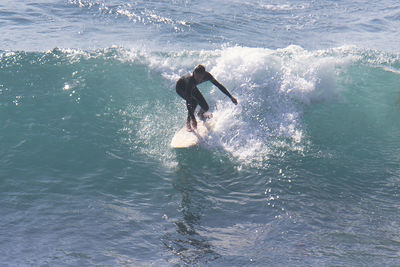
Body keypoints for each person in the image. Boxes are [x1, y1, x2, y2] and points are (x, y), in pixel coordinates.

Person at [176, 64, 238, 131]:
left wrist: (231, 97)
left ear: (204, 74)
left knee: (205, 107)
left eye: (200, 77)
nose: (198, 80)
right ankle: (188, 122)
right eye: (196, 77)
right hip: (180, 87)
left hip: (192, 87)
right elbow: (188, 100)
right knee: (193, 101)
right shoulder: (191, 80)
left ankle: (200, 114)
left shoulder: (207, 76)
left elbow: (219, 85)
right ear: (194, 73)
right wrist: (193, 118)